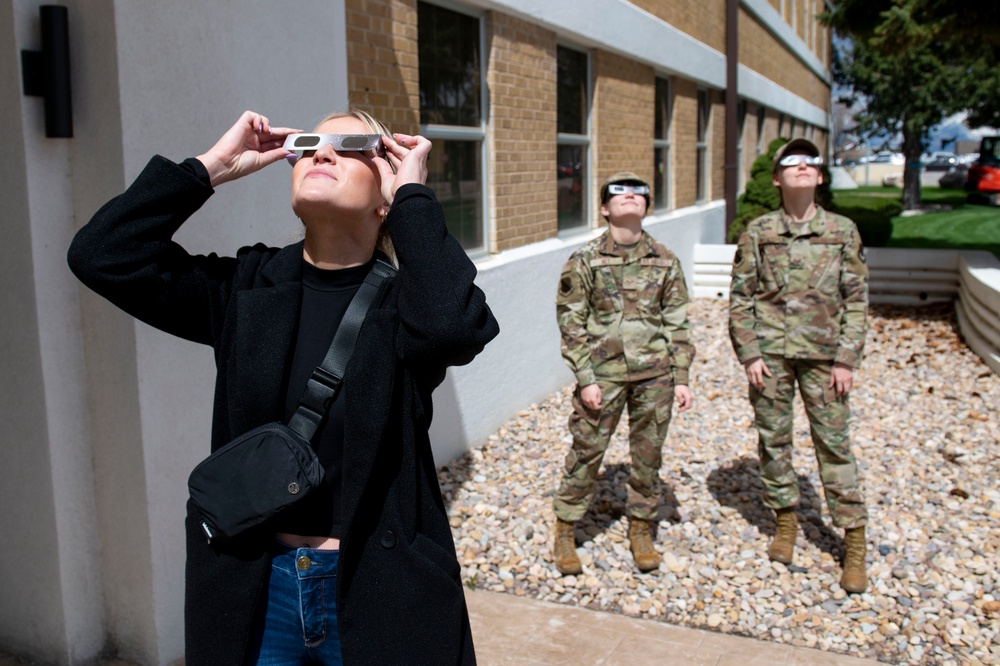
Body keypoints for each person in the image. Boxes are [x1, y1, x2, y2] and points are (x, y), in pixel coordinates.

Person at [67, 109, 499, 665]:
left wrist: (413, 195)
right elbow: (101, 255)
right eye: (310, 143)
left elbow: (457, 325)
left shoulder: (409, 305)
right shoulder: (246, 289)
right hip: (253, 588)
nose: (322, 153)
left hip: (377, 588)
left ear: (385, 190)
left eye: (349, 146)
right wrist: (210, 168)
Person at [728, 138, 869, 594]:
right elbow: (741, 298)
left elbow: (857, 300)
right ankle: (785, 521)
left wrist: (847, 359)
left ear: (821, 177)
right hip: (769, 357)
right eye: (792, 162)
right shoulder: (758, 231)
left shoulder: (843, 231)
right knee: (774, 440)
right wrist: (749, 352)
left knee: (833, 445)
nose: (803, 166)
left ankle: (854, 541)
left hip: (826, 359)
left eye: (811, 162)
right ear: (777, 179)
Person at [552, 172, 694, 575]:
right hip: (604, 375)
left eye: (639, 192)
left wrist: (681, 375)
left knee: (648, 456)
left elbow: (678, 321)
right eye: (618, 191)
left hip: (656, 375)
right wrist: (586, 377)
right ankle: (565, 525)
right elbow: (571, 321)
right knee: (587, 450)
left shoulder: (665, 259)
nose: (630, 195)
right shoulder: (585, 260)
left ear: (647, 206)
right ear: (603, 208)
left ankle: (640, 526)